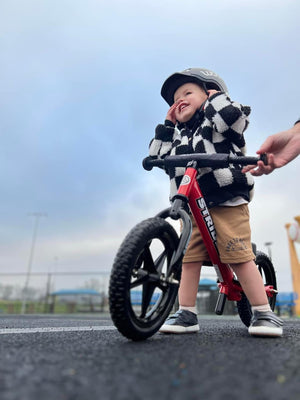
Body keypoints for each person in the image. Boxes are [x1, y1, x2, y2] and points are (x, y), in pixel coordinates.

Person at [149, 67, 283, 337]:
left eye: (188, 93)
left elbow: (233, 118)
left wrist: (215, 98)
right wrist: (167, 126)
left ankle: (263, 312)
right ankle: (186, 312)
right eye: (175, 99)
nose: (180, 100)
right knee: (189, 259)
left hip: (225, 198)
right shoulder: (178, 134)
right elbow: (157, 156)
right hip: (193, 204)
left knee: (238, 254)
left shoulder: (217, 123)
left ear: (210, 93)